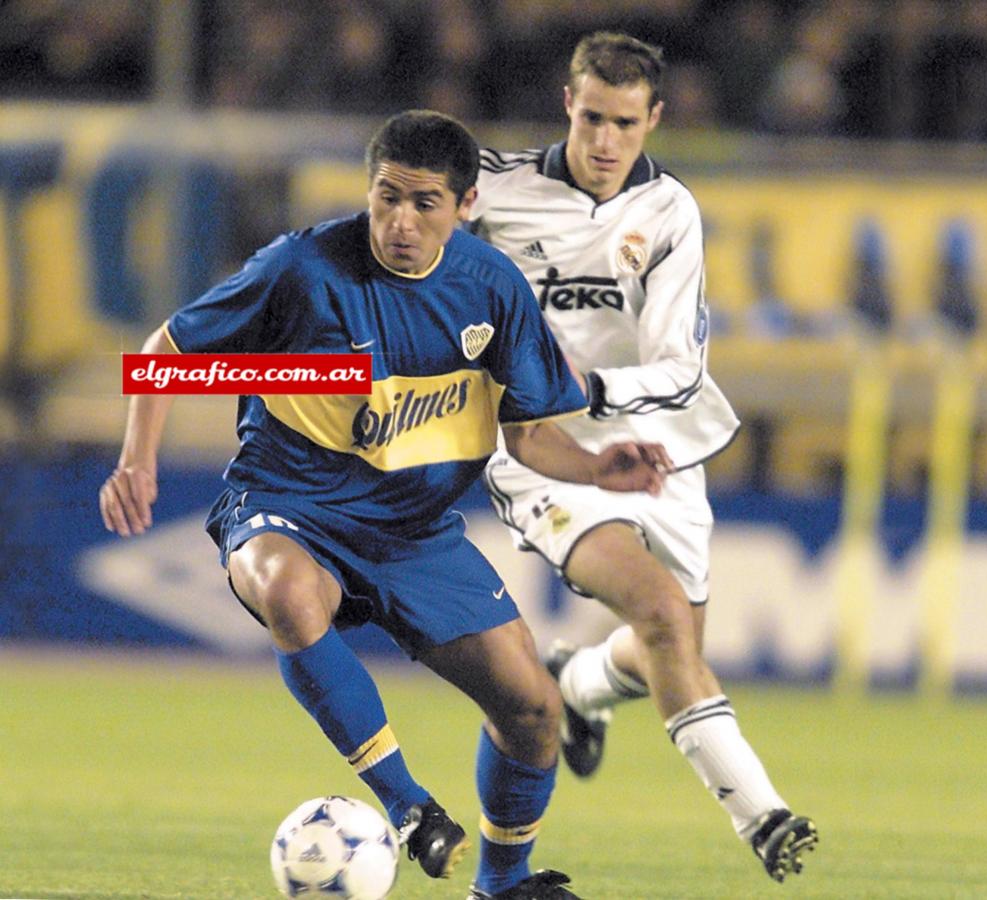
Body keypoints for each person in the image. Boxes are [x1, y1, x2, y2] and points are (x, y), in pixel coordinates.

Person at [99, 109, 672, 900]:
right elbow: (169, 351)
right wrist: (137, 459)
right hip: (288, 503)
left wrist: (597, 466)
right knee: (290, 595)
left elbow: (529, 434)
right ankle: (407, 808)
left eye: (424, 203)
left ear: (466, 205)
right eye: (386, 197)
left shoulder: (491, 288)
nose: (400, 222)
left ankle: (502, 884)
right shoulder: (303, 269)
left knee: (534, 711)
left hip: (412, 534)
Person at [469, 33, 819, 883]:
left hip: (654, 443)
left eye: (624, 123)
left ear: (653, 119)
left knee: (670, 640)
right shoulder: (498, 189)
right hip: (539, 453)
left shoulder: (670, 214)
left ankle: (579, 680)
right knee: (661, 610)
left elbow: (677, 368)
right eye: (591, 117)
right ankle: (762, 816)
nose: (603, 141)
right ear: (568, 103)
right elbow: (398, 230)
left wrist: (587, 389)